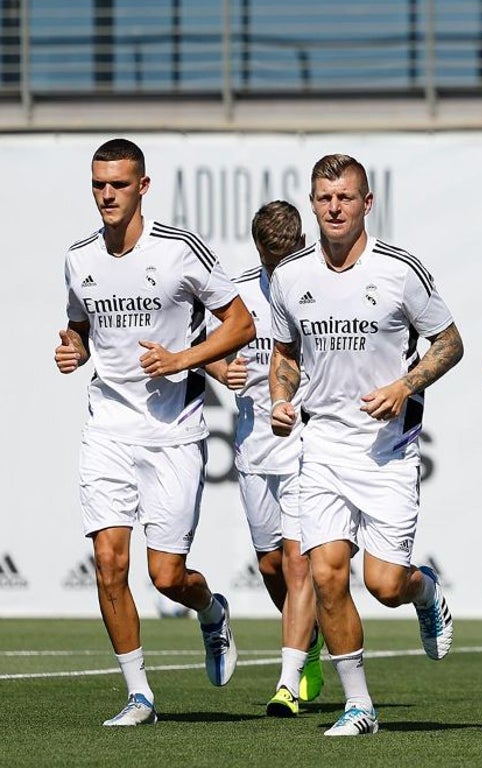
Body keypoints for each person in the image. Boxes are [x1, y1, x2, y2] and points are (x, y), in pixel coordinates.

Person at [56, 138, 256, 726]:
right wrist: (74, 350)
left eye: (118, 184)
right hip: (108, 428)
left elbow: (240, 324)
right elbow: (77, 329)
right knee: (108, 564)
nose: (107, 195)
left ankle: (211, 610)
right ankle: (139, 694)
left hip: (173, 431)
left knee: (166, 576)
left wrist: (183, 358)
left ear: (143, 187)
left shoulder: (180, 251)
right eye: (98, 185)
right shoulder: (78, 257)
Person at [267, 154, 463, 737]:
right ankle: (360, 706)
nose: (334, 208)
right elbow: (285, 354)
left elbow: (450, 344)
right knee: (327, 575)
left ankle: (423, 591)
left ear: (366, 203)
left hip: (387, 451)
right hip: (322, 446)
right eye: (324, 198)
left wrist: (405, 385)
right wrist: (282, 399)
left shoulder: (400, 271)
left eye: (345, 198)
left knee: (382, 585)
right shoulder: (290, 276)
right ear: (312, 203)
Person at [204, 201, 324, 716]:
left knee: (300, 567)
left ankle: (287, 679)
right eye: (272, 255)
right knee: (272, 566)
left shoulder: (319, 282)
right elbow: (202, 347)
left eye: (289, 251)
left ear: (302, 241)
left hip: (306, 443)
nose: (281, 263)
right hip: (254, 446)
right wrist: (218, 371)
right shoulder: (240, 291)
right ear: (258, 249)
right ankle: (311, 641)